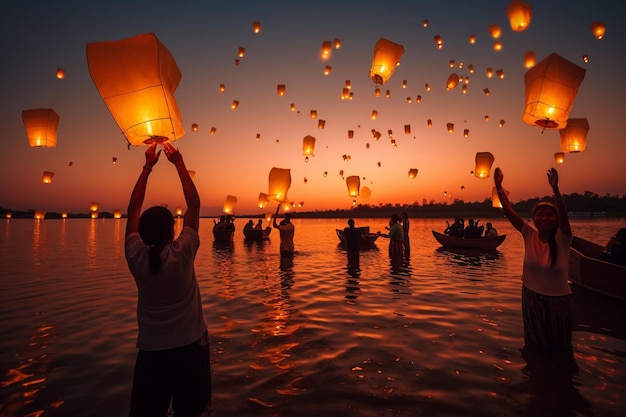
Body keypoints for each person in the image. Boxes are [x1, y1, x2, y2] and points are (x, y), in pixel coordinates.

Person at [125, 142, 211, 417]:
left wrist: (147, 166)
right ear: (172, 232)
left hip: (151, 355)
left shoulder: (136, 256)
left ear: (142, 233)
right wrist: (179, 163)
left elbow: (133, 208)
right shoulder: (182, 252)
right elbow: (194, 205)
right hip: (190, 351)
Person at [494, 166, 573, 355]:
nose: (544, 218)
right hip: (530, 296)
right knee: (534, 344)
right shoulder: (529, 235)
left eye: (549, 215)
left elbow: (563, 215)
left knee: (560, 347)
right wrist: (498, 187)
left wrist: (555, 189)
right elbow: (510, 212)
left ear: (555, 219)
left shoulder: (563, 238)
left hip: (558, 299)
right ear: (534, 219)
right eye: (540, 215)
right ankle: (536, 375)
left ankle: (560, 380)